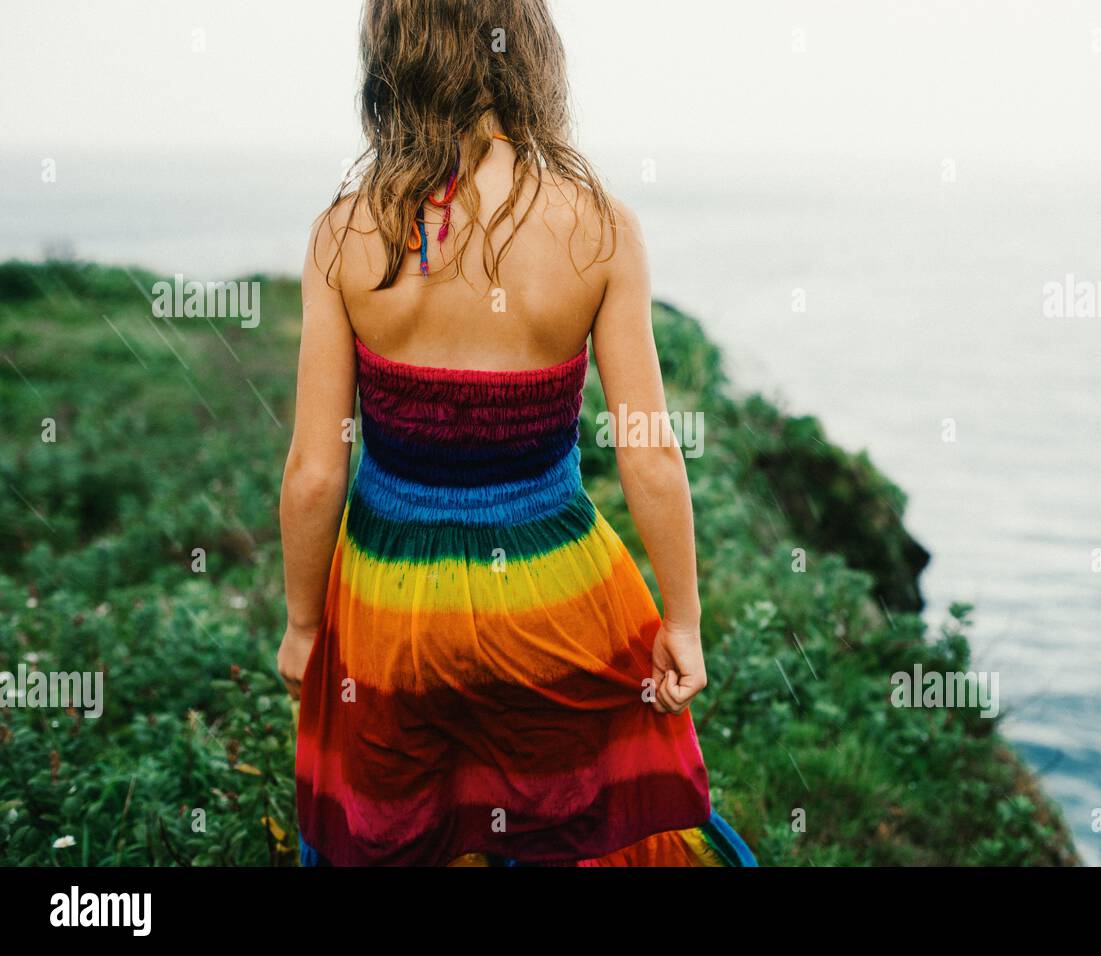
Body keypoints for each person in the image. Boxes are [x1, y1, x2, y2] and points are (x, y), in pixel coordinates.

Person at [276, 0, 755, 867]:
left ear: (391, 60)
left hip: (390, 605)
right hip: (553, 595)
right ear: (530, 53)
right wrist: (682, 621)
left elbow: (315, 470)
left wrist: (305, 628)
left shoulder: (343, 236)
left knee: (408, 833)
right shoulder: (601, 228)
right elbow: (647, 448)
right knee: (560, 825)